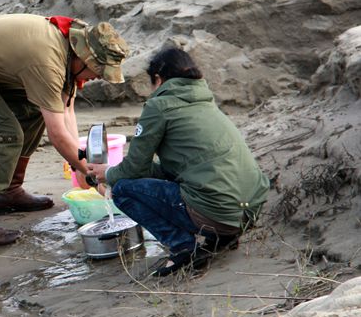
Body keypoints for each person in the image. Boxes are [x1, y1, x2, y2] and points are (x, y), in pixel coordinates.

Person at [0, 14, 129, 252]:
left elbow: (66, 111)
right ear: (84, 59)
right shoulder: (48, 63)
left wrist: (81, 165)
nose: (98, 77)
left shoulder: (70, 49)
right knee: (5, 138)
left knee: (33, 110)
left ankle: (8, 192)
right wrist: (92, 175)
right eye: (98, 70)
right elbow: (57, 133)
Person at [87, 48, 269, 276]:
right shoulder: (206, 102)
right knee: (183, 184)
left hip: (217, 213)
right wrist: (119, 170)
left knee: (123, 189)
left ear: (158, 79)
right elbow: (176, 170)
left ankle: (183, 248)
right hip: (249, 212)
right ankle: (224, 237)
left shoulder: (159, 106)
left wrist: (110, 174)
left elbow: (134, 168)